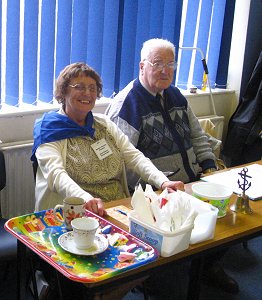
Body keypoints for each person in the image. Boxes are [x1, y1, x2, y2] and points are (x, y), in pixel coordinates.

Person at [31, 62, 184, 299]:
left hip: (117, 210)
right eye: (79, 87)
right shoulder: (49, 129)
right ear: (63, 92)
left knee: (156, 251)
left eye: (92, 88)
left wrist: (162, 181)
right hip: (74, 213)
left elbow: (133, 156)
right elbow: (55, 175)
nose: (88, 93)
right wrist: (86, 199)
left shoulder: (103, 124)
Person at [106, 38, 239, 295]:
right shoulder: (127, 105)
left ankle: (206, 266)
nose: (165, 70)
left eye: (170, 64)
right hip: (158, 192)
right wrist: (159, 186)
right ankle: (160, 275)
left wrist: (210, 169)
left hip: (195, 180)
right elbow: (123, 162)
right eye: (158, 64)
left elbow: (198, 137)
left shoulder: (176, 95)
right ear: (142, 66)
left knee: (231, 217)